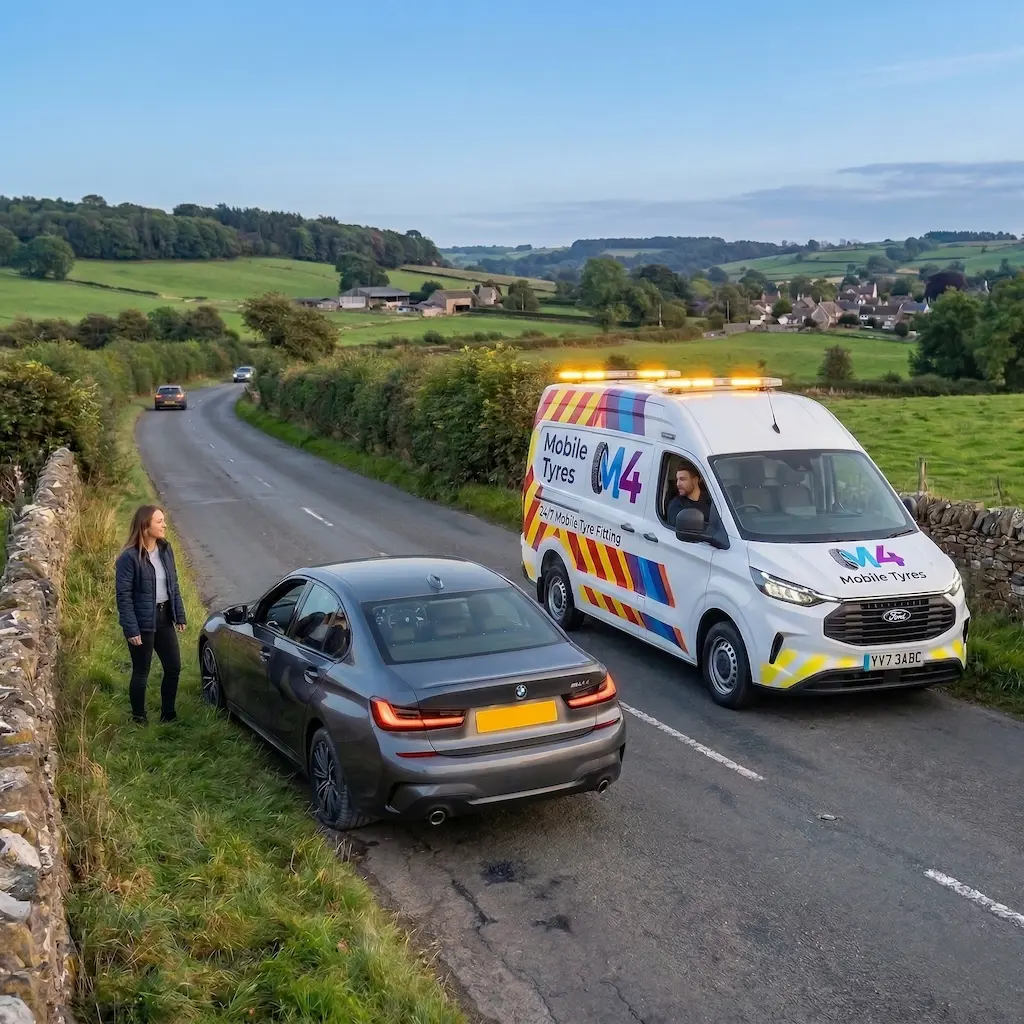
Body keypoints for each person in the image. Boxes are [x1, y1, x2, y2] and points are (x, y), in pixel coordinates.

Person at [115, 505, 187, 724]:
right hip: (142, 620)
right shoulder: (129, 558)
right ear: (145, 526)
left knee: (173, 667)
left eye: (163, 520)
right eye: (159, 521)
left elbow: (174, 584)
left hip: (165, 617)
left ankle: (168, 715)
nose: (164, 525)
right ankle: (139, 718)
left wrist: (180, 614)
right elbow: (123, 597)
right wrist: (131, 629)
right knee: (141, 671)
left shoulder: (166, 550)